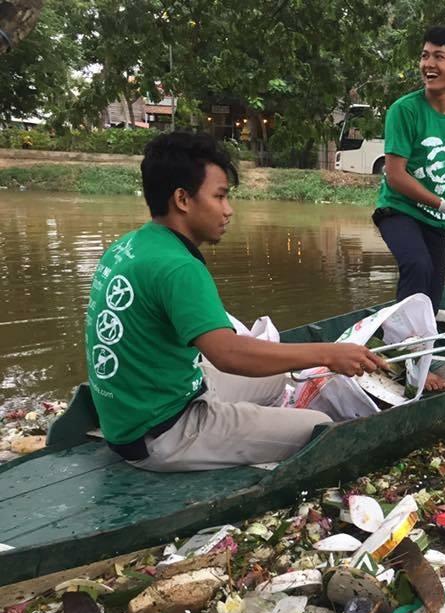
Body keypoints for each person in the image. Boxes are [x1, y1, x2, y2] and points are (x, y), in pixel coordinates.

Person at [85, 131, 389, 472]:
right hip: (161, 432)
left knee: (278, 378)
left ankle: (251, 425)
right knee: (318, 427)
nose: (228, 211)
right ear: (183, 199)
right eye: (220, 196)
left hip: (138, 409)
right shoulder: (178, 267)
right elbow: (228, 355)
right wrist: (329, 354)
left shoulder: (131, 245)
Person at [373, 25, 445, 391]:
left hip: (434, 220)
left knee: (431, 295)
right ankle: (400, 360)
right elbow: (396, 176)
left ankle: (418, 360)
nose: (428, 64)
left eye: (438, 57)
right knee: (416, 266)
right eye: (424, 55)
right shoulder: (404, 110)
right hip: (397, 210)